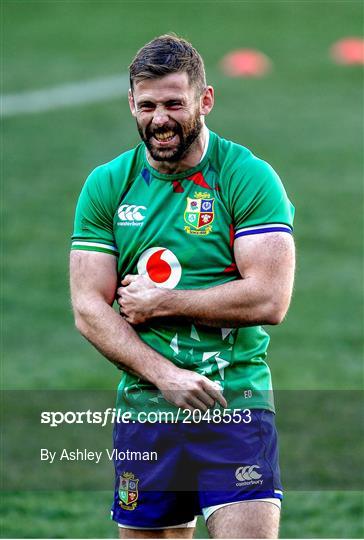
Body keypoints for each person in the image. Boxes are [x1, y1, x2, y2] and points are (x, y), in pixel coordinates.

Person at [70, 34, 295, 539]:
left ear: (204, 100)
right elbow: (88, 306)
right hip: (146, 410)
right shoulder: (107, 185)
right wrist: (166, 376)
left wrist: (163, 301)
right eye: (147, 105)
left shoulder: (247, 177)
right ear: (131, 103)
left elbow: (270, 297)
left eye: (174, 103)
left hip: (235, 405)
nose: (160, 118)